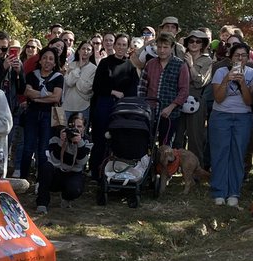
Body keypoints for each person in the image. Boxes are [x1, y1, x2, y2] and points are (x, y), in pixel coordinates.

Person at [209, 42, 253, 206]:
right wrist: (226, 79)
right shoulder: (220, 72)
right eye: (237, 55)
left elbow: (249, 101)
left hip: (243, 117)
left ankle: (234, 192)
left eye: (243, 55)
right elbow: (218, 98)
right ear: (231, 58)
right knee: (220, 152)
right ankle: (219, 191)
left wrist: (242, 83)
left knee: (238, 153)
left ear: (248, 58)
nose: (240, 58)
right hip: (221, 115)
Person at [89, 34, 138, 177]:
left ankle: (115, 172)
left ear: (128, 47)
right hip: (104, 104)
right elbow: (96, 86)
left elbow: (133, 90)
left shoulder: (130, 66)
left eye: (124, 45)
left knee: (118, 139)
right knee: (100, 138)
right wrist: (113, 92)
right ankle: (96, 171)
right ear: (114, 45)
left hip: (121, 108)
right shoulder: (105, 63)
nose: (121, 47)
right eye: (119, 44)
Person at [19, 46, 63, 187]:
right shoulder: (32, 75)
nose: (47, 61)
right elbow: (27, 93)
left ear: (55, 63)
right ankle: (22, 180)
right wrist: (46, 95)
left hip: (48, 116)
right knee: (28, 148)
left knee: (43, 150)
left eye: (51, 59)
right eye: (44, 58)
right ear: (40, 60)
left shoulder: (58, 77)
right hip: (32, 115)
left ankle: (41, 182)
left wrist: (37, 97)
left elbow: (56, 98)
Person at [138, 32, 189, 147]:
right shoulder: (150, 64)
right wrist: (144, 106)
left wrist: (171, 107)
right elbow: (142, 86)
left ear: (172, 47)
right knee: (146, 143)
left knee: (165, 146)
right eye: (159, 47)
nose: (162, 50)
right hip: (150, 112)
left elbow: (184, 91)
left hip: (170, 114)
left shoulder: (180, 65)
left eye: (165, 47)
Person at [38, 112, 90, 209]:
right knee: (46, 167)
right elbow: (53, 159)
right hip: (56, 172)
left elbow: (82, 162)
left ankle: (66, 197)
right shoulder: (57, 136)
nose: (75, 129)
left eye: (79, 126)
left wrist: (79, 143)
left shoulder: (86, 141)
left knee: (75, 189)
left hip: (73, 173)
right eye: (72, 126)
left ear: (83, 128)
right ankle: (42, 203)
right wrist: (61, 142)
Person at [183, 29, 214, 163]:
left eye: (198, 41)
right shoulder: (181, 56)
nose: (194, 44)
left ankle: (196, 168)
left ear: (203, 44)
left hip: (197, 99)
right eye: (191, 41)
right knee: (177, 137)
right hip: (179, 98)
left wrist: (191, 65)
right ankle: (173, 168)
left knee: (195, 138)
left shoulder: (207, 61)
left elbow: (200, 82)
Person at [59, 39, 96, 124]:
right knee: (63, 130)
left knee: (80, 131)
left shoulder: (94, 69)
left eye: (88, 49)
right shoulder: (71, 65)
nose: (85, 51)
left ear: (91, 53)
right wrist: (78, 68)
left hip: (83, 107)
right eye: (83, 48)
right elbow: (69, 83)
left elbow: (86, 89)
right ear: (79, 51)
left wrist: (75, 79)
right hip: (67, 106)